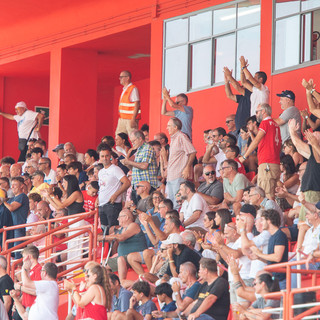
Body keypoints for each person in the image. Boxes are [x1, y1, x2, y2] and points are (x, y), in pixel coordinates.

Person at [240, 103, 282, 200]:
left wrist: (244, 156)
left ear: (263, 111)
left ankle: (269, 215)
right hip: (275, 163)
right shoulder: (276, 125)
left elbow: (256, 140)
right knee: (273, 195)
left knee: (266, 195)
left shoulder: (265, 123)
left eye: (257, 112)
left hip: (266, 163)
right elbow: (279, 144)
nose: (256, 115)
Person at [98, 209, 148, 282]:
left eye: (119, 217)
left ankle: (122, 282)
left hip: (134, 256)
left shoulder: (133, 225)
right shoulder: (121, 229)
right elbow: (111, 237)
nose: (117, 219)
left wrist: (104, 237)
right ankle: (112, 283)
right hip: (124, 258)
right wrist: (99, 238)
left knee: (120, 259)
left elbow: (121, 237)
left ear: (126, 217)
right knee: (103, 264)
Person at [250, 209, 288, 289]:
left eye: (263, 220)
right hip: (274, 278)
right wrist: (259, 257)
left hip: (281, 278)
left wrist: (260, 254)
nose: (261, 223)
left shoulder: (280, 235)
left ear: (269, 221)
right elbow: (271, 260)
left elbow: (277, 258)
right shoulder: (272, 237)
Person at [166, 118, 197, 208]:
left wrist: (187, 168)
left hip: (179, 175)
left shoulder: (181, 136)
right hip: (171, 176)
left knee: (178, 204)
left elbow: (192, 152)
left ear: (175, 127)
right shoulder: (173, 138)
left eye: (169, 126)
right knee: (172, 204)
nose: (167, 128)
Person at [98, 144, 130, 227]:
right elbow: (102, 187)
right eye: (102, 156)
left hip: (112, 205)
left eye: (107, 156)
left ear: (110, 157)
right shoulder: (100, 172)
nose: (105, 158)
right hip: (101, 205)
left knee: (113, 230)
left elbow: (127, 182)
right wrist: (98, 199)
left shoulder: (115, 169)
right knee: (104, 230)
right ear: (100, 158)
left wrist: (115, 195)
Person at [121, 130, 158, 196]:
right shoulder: (138, 150)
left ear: (140, 139)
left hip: (146, 187)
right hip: (137, 186)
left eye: (134, 141)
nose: (133, 144)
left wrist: (128, 162)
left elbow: (144, 166)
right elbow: (133, 167)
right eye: (132, 142)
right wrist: (127, 160)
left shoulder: (147, 148)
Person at [3, 177, 29, 258]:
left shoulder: (22, 196)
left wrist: (3, 200)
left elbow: (11, 208)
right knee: (9, 253)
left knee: (17, 252)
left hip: (18, 228)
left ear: (21, 186)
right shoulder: (12, 199)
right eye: (12, 185)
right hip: (11, 228)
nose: (12, 187)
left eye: (15, 185)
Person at [223, 66, 251, 132]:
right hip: (240, 130)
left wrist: (230, 77)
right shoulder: (242, 97)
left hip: (246, 129)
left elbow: (237, 87)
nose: (242, 86)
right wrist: (227, 82)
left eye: (243, 86)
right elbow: (229, 95)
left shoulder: (250, 94)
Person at [116, 70, 141, 135]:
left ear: (127, 78)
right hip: (122, 118)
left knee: (134, 138)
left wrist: (133, 119)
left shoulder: (133, 88)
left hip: (130, 119)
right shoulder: (125, 89)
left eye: (121, 77)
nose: (119, 79)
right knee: (119, 138)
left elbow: (137, 104)